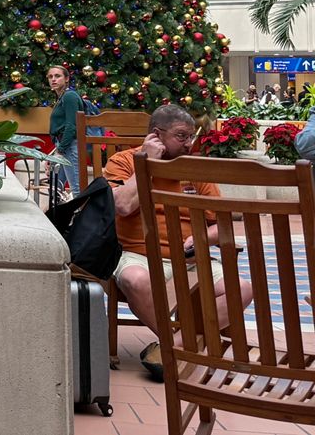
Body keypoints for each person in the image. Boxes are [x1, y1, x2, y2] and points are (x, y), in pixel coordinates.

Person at [103, 104, 253, 383]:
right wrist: (145, 165)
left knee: (242, 289)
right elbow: (122, 206)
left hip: (191, 260)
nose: (189, 143)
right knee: (135, 280)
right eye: (181, 136)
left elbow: (222, 225)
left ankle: (173, 349)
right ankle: (180, 346)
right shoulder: (123, 161)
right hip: (138, 255)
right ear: (156, 135)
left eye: (191, 136)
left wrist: (202, 238)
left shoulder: (195, 168)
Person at [46, 65, 83, 199]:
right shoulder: (62, 97)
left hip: (69, 146)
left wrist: (60, 151)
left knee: (77, 189)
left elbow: (71, 126)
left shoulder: (69, 96)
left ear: (66, 79)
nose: (53, 79)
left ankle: (83, 213)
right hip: (63, 146)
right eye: (50, 77)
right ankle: (56, 213)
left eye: (57, 76)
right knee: (55, 188)